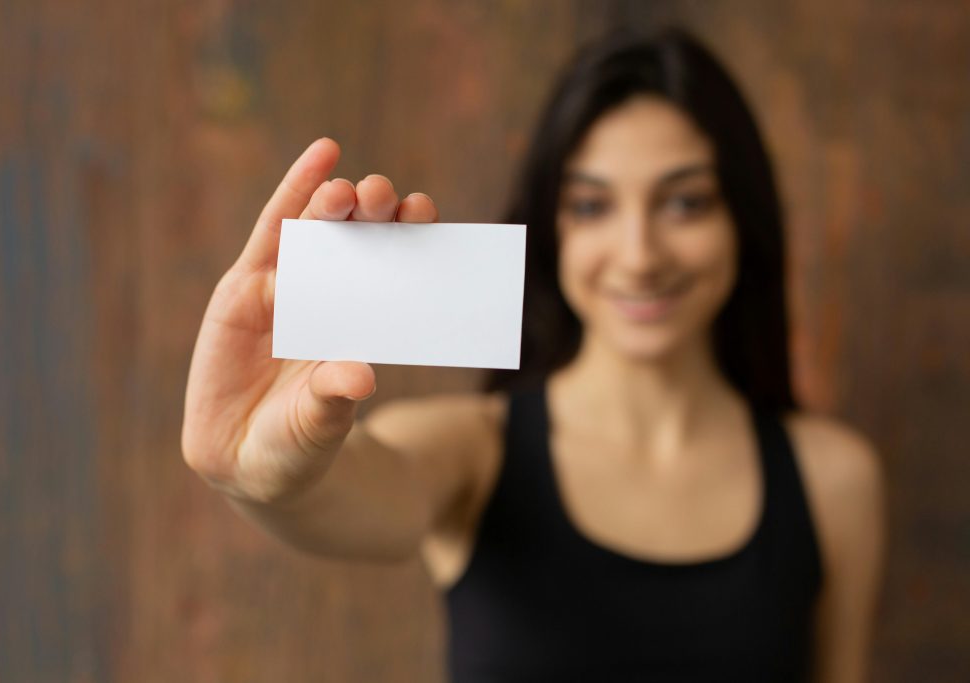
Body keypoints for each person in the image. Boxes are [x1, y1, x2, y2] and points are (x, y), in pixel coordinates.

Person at [182, 27, 885, 682]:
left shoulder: (834, 482)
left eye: (685, 202)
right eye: (591, 206)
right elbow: (349, 491)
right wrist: (262, 475)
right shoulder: (474, 451)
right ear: (552, 229)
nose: (639, 257)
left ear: (742, 219)